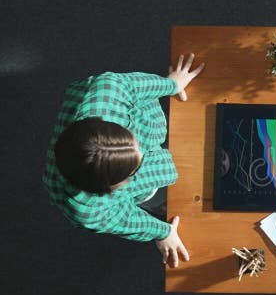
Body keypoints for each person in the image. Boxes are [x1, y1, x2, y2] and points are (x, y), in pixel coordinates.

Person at [43, 54, 205, 268]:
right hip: (142, 186)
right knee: (158, 198)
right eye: (133, 170)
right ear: (106, 189)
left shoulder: (106, 90)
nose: (144, 155)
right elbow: (125, 219)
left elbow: (133, 86)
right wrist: (163, 232)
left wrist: (171, 84)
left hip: (147, 123)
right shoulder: (86, 209)